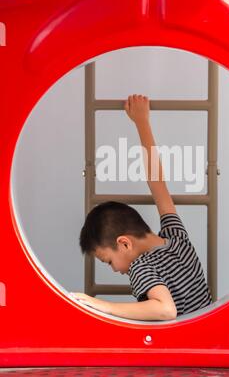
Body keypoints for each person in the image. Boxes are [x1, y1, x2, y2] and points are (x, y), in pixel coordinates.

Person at [72, 95, 212, 320]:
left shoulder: (140, 266)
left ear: (124, 243)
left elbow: (166, 309)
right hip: (210, 338)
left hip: (182, 350)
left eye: (108, 261)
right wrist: (142, 122)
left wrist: (103, 305)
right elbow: (157, 183)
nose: (116, 270)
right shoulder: (176, 237)